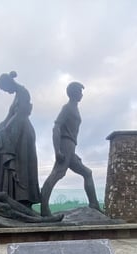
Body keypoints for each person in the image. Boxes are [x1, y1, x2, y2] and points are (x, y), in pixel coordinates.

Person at [40, 82, 101, 216]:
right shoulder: (67, 108)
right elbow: (56, 128)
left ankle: (94, 204)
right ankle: (44, 209)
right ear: (74, 93)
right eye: (80, 91)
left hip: (71, 147)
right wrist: (57, 151)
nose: (82, 94)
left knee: (87, 173)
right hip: (66, 145)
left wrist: (71, 152)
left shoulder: (74, 108)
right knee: (57, 174)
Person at [0, 71, 41, 208]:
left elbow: (20, 115)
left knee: (22, 167)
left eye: (5, 89)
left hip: (23, 134)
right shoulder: (16, 96)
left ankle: (23, 201)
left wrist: (3, 131)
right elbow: (7, 119)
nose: (7, 92)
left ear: (9, 83)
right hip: (13, 132)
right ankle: (9, 197)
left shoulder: (23, 92)